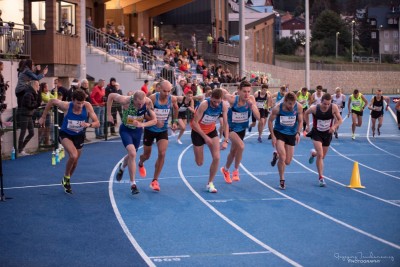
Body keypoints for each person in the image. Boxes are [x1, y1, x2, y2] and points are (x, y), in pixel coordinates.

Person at [39, 90, 99, 194]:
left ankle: (66, 180)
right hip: (65, 134)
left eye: (82, 103)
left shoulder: (87, 106)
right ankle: (66, 177)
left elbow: (97, 123)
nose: (80, 106)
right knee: (73, 155)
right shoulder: (67, 106)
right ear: (73, 101)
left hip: (79, 136)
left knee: (75, 163)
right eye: (78, 103)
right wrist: (43, 117)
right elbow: (52, 101)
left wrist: (89, 125)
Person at [107, 91, 157, 194]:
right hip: (126, 130)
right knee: (133, 154)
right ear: (134, 99)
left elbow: (154, 120)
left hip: (137, 132)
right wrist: (109, 114)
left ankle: (122, 167)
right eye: (139, 104)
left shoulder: (147, 102)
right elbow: (111, 95)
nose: (141, 105)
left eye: (142, 103)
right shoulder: (125, 100)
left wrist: (142, 124)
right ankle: (133, 185)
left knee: (131, 155)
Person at [137, 80, 179, 192]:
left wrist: (174, 121)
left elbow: (176, 108)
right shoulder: (152, 98)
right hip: (150, 130)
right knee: (147, 155)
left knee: (162, 153)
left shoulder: (172, 98)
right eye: (165, 91)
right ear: (159, 88)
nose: (167, 93)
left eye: (169, 91)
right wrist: (154, 120)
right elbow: (143, 114)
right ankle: (140, 163)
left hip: (162, 130)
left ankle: (155, 180)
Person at [220, 81, 260, 183]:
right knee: (241, 146)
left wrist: (252, 106)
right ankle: (236, 170)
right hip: (230, 128)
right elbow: (223, 92)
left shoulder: (251, 99)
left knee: (233, 152)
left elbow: (258, 117)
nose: (246, 94)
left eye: (248, 91)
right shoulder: (233, 99)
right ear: (238, 91)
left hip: (241, 129)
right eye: (244, 91)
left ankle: (225, 170)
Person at [190, 88, 229, 193]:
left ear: (221, 99)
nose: (216, 104)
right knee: (199, 162)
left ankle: (210, 183)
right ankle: (197, 151)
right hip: (197, 131)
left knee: (217, 157)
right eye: (214, 101)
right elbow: (194, 123)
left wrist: (226, 139)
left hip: (211, 131)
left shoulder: (223, 105)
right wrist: (205, 137)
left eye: (218, 101)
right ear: (210, 97)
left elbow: (225, 123)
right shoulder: (204, 104)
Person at [305, 93, 343, 187]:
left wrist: (334, 127)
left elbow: (340, 120)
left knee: (321, 156)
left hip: (327, 133)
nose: (326, 106)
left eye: (328, 104)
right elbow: (306, 113)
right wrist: (307, 125)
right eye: (325, 104)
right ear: (321, 101)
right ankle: (321, 178)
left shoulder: (333, 107)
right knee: (321, 154)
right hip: (316, 133)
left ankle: (314, 154)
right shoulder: (314, 108)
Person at [268, 92, 303, 190]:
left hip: (291, 134)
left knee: (287, 161)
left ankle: (277, 155)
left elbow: (300, 121)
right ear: (285, 101)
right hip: (280, 133)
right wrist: (273, 136)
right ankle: (282, 180)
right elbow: (270, 121)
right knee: (283, 158)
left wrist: (298, 133)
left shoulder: (298, 107)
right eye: (289, 104)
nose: (292, 106)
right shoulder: (277, 108)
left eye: (293, 103)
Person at [18, 80, 41, 156]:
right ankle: (20, 150)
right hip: (24, 115)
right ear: (34, 85)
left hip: (29, 115)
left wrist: (37, 101)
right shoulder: (28, 93)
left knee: (31, 133)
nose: (39, 86)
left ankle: (22, 148)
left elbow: (36, 103)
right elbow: (30, 105)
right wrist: (36, 104)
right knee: (23, 132)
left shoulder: (33, 93)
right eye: (38, 85)